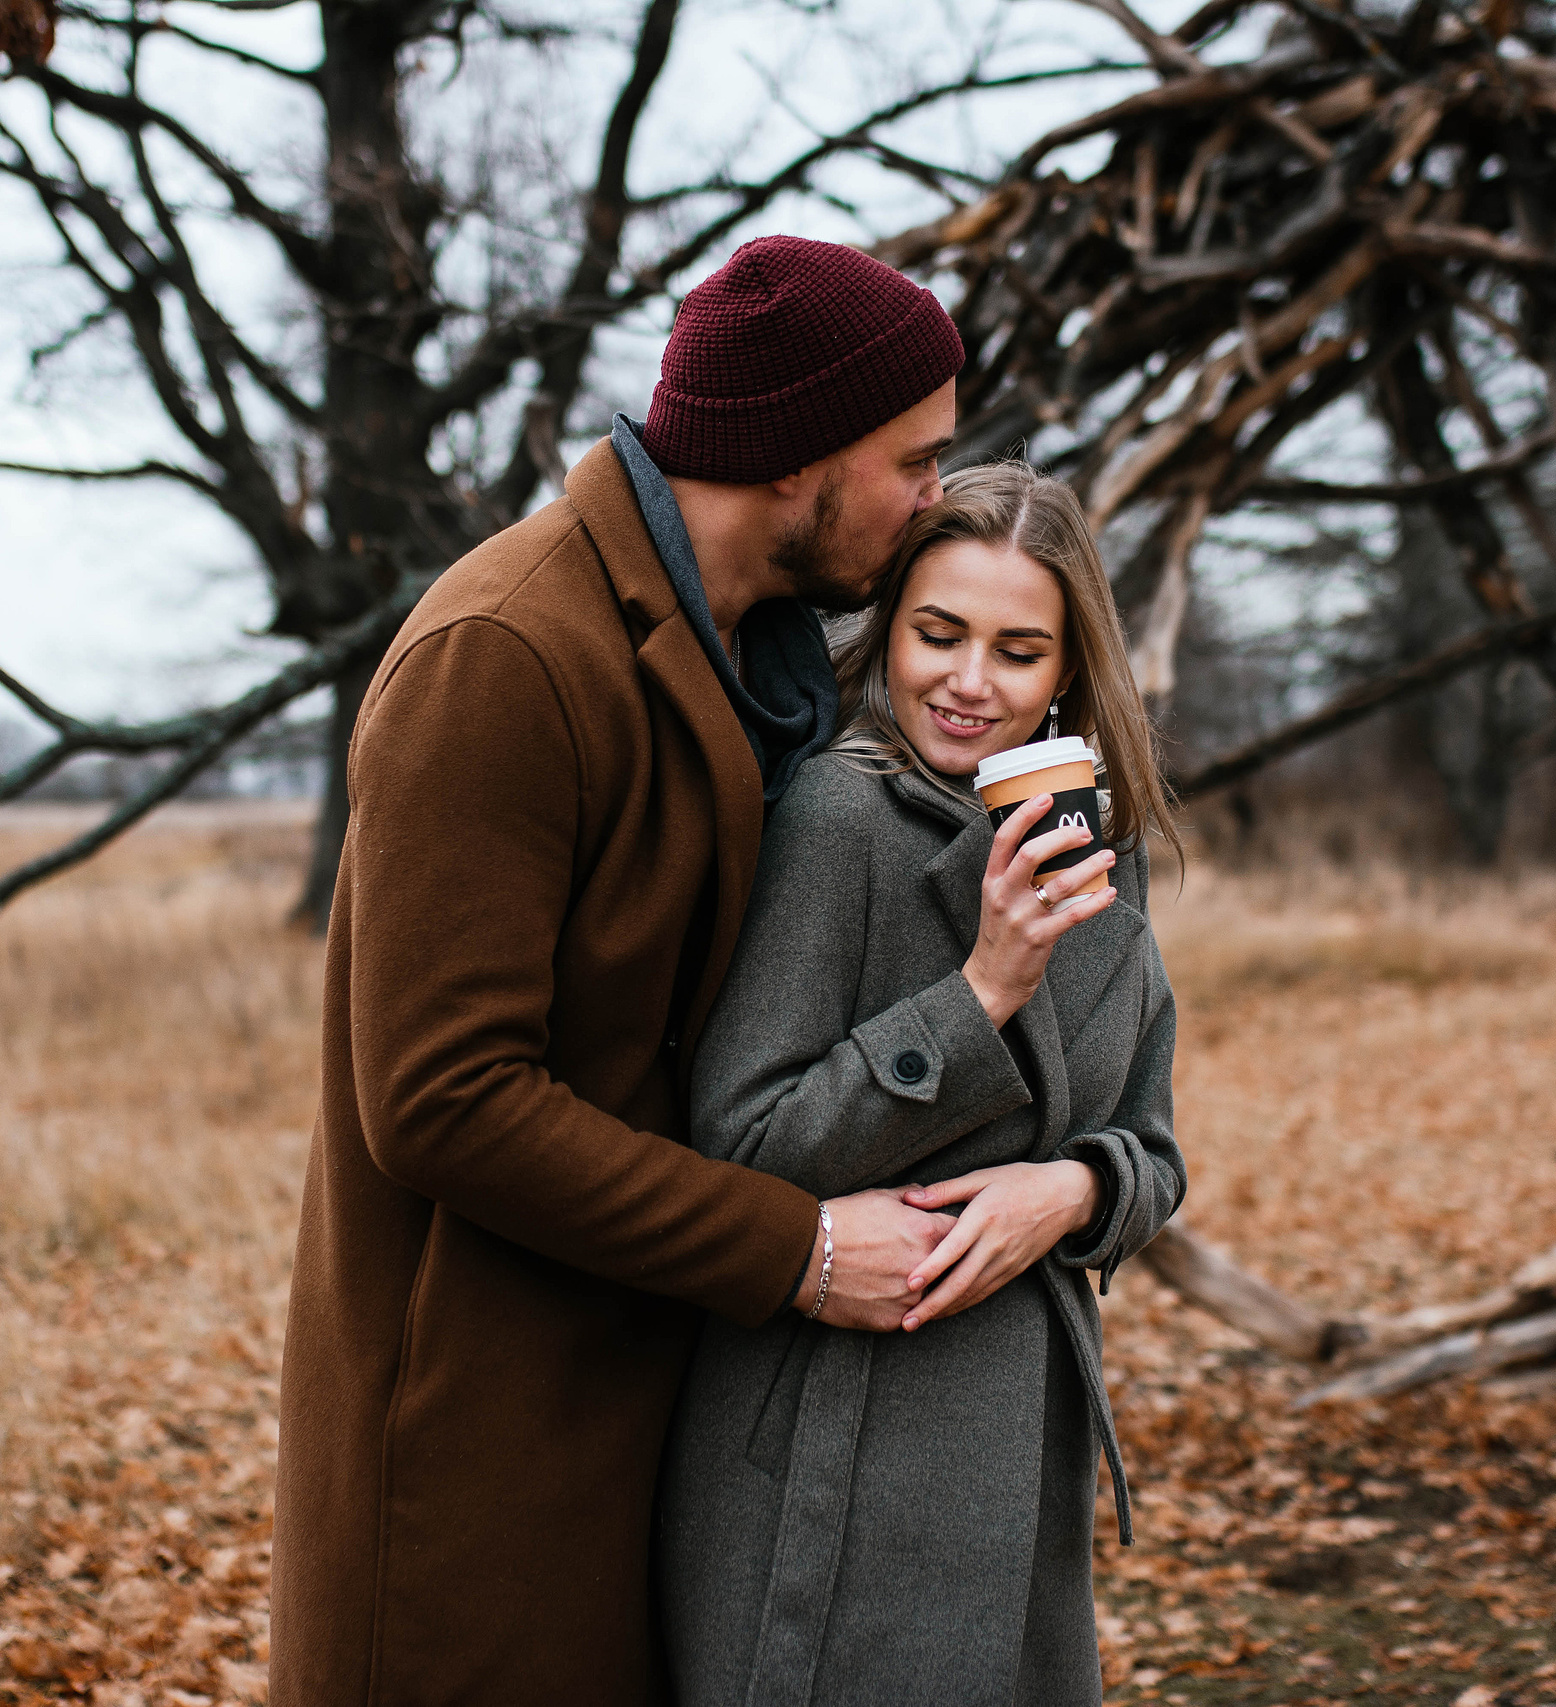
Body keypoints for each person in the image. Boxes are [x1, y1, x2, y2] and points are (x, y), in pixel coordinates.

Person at [267, 237, 1098, 1707]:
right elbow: (443, 1099)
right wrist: (801, 1247)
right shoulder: (506, 650)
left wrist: (1070, 1166)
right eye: (913, 461)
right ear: (796, 458)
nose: (928, 500)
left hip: (672, 1423)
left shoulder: (772, 659)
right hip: (481, 1438)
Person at [657, 462, 1187, 1707]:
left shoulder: (1100, 855)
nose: (966, 681)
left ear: (1067, 670)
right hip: (833, 1451)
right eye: (937, 633)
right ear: (887, 627)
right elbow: (744, 1150)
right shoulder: (835, 821)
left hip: (1021, 1445)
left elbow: (1155, 1153)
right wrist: (982, 990)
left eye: (1016, 650)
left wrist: (1066, 1194)